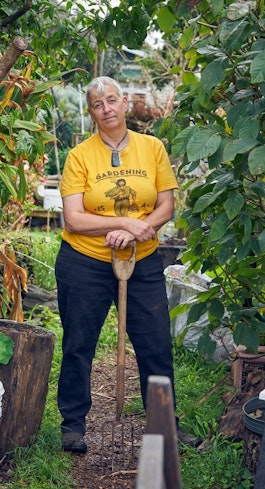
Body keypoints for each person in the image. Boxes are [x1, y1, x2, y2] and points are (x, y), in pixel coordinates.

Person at [55, 76, 195, 453]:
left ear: (125, 103)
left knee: (156, 345)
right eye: (98, 104)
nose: (107, 109)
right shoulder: (79, 156)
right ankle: (73, 425)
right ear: (91, 112)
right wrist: (123, 223)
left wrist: (139, 231)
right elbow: (75, 218)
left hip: (143, 259)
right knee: (79, 343)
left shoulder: (152, 148)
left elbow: (166, 204)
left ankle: (165, 425)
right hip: (84, 262)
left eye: (113, 100)